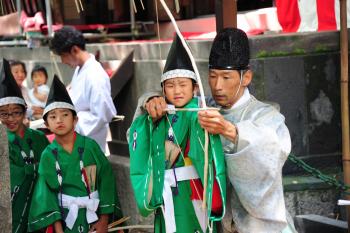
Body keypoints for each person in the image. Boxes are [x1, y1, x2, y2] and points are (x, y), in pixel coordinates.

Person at [136, 28, 296, 233]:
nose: (218, 85)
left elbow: (275, 145)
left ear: (246, 77)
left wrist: (231, 130)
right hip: (215, 222)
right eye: (212, 76)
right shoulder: (202, 107)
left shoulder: (264, 114)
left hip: (258, 226)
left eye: (226, 77)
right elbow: (166, 100)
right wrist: (152, 100)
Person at [129, 35, 226, 233]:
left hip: (194, 191)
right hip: (167, 191)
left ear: (195, 87)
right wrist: (150, 116)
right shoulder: (159, 113)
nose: (177, 91)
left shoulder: (198, 112)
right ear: (162, 89)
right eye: (171, 85)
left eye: (183, 84)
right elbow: (137, 137)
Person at [28, 75, 123, 233]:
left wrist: (104, 219)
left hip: (95, 217)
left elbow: (106, 180)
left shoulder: (90, 147)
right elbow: (47, 195)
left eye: (65, 115)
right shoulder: (48, 155)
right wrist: (58, 229)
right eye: (53, 117)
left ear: (75, 120)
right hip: (65, 220)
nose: (59, 120)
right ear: (46, 124)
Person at [0, 58, 49, 233]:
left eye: (16, 113)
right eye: (4, 114)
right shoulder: (1, 142)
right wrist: (34, 169)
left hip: (39, 203)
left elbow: (50, 166)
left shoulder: (38, 138)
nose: (11, 119)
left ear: (24, 111)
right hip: (9, 210)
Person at [49, 26, 116, 153]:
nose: (62, 61)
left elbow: (103, 114)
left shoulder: (95, 75)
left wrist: (69, 123)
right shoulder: (81, 69)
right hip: (76, 140)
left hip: (89, 144)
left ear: (74, 50)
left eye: (63, 56)